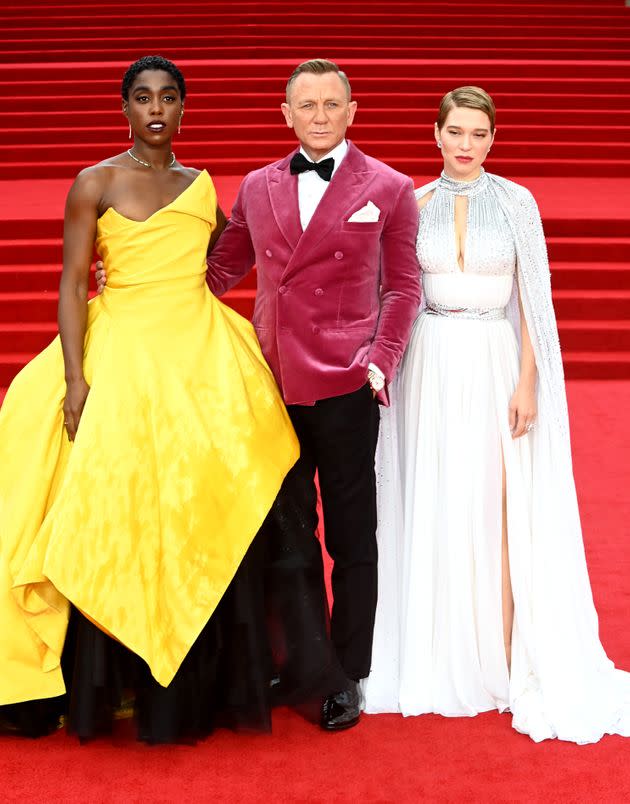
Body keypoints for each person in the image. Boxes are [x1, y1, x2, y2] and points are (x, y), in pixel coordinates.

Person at [0, 55, 345, 743]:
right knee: (107, 495)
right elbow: (72, 284)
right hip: (120, 345)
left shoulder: (200, 187)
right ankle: (108, 671)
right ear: (125, 107)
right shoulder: (93, 182)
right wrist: (73, 379)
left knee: (224, 490)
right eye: (142, 98)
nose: (156, 108)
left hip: (199, 353)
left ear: (184, 108)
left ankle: (230, 671)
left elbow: (228, 261)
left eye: (168, 97)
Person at [99, 58, 421, 730]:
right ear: (287, 114)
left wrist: (378, 363)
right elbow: (219, 268)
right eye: (307, 105)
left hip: (344, 385)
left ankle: (350, 673)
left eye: (333, 103)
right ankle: (303, 663)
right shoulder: (258, 185)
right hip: (270, 386)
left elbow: (404, 288)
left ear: (352, 110)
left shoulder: (388, 187)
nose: (321, 115)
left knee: (352, 538)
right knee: (288, 533)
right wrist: (138, 279)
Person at [362, 86, 630, 743]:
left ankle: (507, 658)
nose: (465, 144)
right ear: (436, 134)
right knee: (438, 499)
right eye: (455, 131)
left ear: (491, 139)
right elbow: (388, 290)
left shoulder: (517, 203)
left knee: (496, 503)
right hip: (427, 362)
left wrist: (530, 382)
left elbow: (535, 298)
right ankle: (437, 646)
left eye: (478, 133)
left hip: (494, 360)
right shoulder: (411, 203)